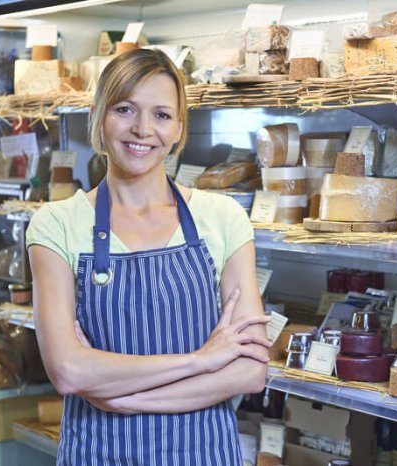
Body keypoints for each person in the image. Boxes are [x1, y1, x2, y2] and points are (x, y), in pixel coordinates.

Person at [26, 48, 271, 465]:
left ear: (178, 128)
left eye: (161, 115)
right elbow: (67, 370)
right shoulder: (57, 224)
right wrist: (201, 360)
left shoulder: (223, 217)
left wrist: (120, 398)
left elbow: (250, 370)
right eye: (125, 109)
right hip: (99, 453)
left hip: (204, 453)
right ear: (100, 119)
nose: (143, 129)